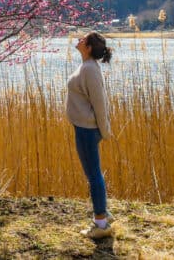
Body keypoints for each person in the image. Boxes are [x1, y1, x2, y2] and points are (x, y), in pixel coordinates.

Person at [66, 32, 115, 239]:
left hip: (88, 130)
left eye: (83, 39)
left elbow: (100, 103)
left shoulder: (90, 70)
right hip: (83, 128)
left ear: (88, 47)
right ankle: (103, 212)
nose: (78, 39)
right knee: (93, 173)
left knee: (93, 175)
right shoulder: (87, 66)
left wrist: (104, 131)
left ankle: (101, 224)